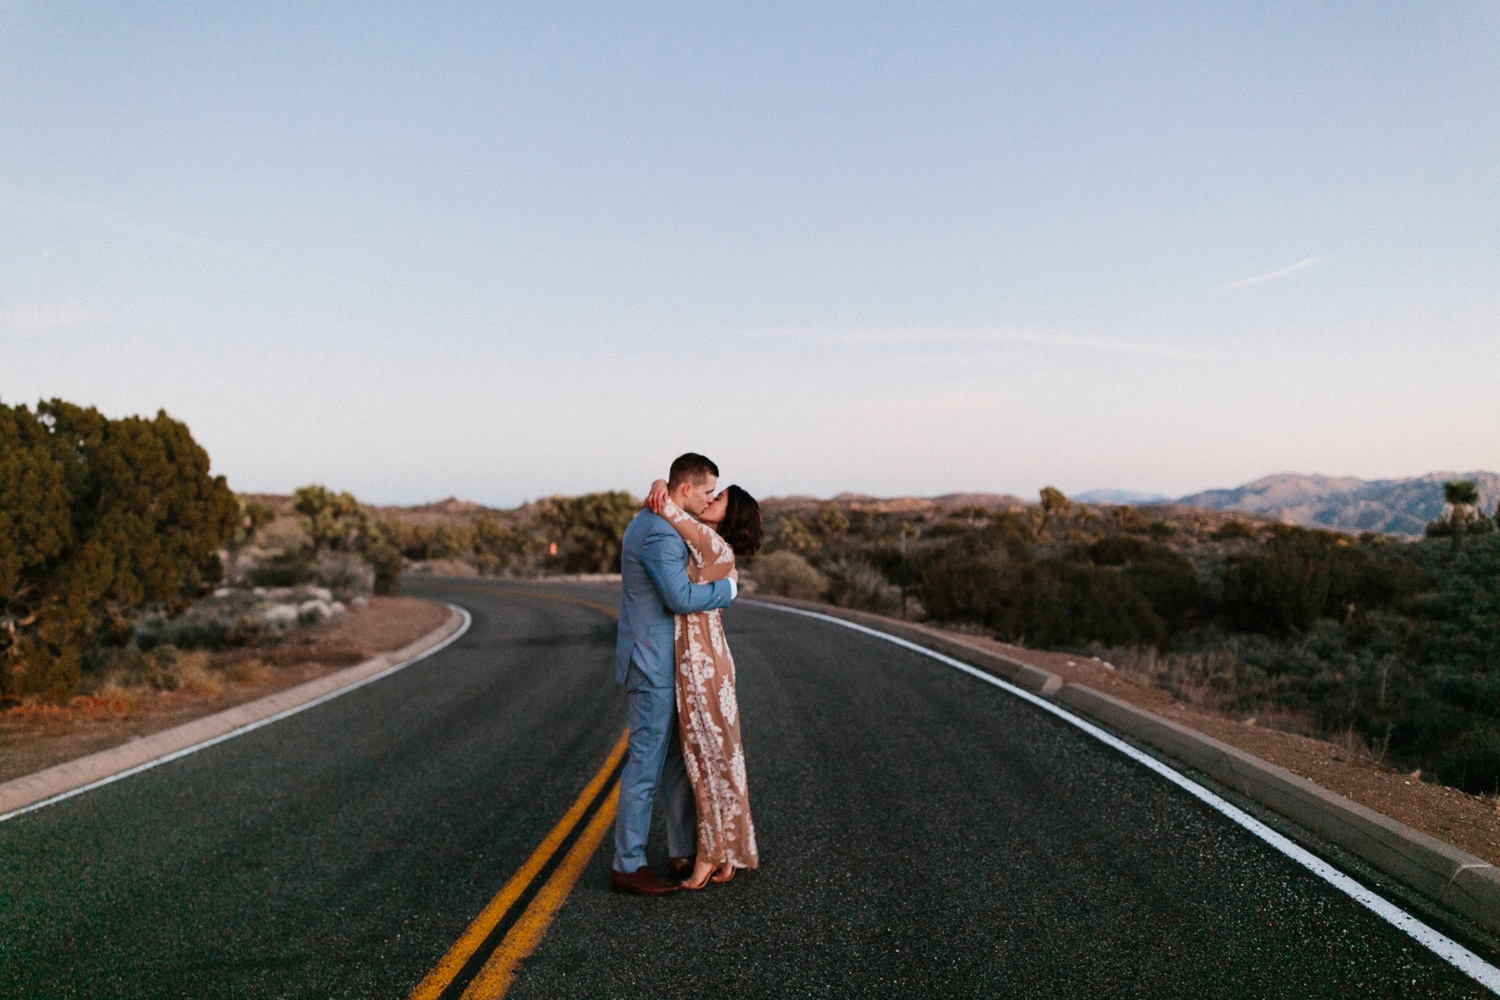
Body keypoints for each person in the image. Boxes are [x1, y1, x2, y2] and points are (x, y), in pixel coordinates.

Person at [610, 453, 738, 896]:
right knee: (645, 764)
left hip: (667, 661)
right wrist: (728, 590)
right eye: (705, 492)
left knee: (673, 760)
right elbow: (680, 597)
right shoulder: (660, 533)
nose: (708, 501)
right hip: (653, 662)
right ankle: (627, 865)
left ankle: (683, 850)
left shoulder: (663, 518)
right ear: (685, 489)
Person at [643, 477, 764, 889]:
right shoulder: (711, 544)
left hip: (703, 665)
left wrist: (662, 484)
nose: (710, 499)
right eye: (711, 493)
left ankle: (712, 851)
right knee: (720, 758)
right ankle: (728, 853)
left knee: (707, 759)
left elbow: (671, 509)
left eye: (720, 497)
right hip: (703, 659)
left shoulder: (713, 545)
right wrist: (663, 481)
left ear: (731, 514)